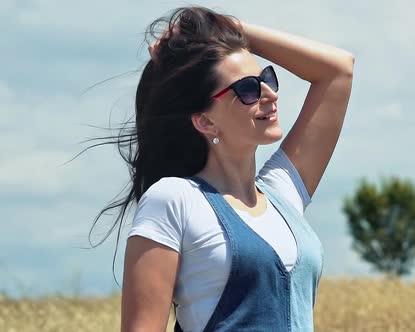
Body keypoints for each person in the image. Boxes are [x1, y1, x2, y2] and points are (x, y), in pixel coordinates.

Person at [118, 5, 354, 332]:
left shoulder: (284, 194)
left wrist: (226, 27)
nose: (269, 94)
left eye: (266, 78)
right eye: (247, 89)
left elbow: (338, 70)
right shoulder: (173, 200)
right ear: (205, 120)